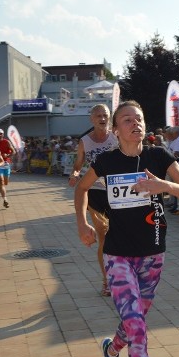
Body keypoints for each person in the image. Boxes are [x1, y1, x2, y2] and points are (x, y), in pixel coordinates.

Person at [74, 100, 179, 357]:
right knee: (139, 332)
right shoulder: (107, 161)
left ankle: (111, 350)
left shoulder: (160, 157)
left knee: (133, 324)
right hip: (118, 257)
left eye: (139, 119)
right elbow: (82, 188)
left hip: (153, 257)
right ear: (116, 130)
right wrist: (82, 222)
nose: (135, 124)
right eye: (127, 120)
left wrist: (165, 186)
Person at [68, 104, 119, 296]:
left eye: (105, 115)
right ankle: (107, 280)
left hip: (117, 190)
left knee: (121, 234)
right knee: (104, 236)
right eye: (98, 115)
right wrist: (74, 174)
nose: (102, 118)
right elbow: (78, 163)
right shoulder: (85, 142)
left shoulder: (117, 136)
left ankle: (123, 273)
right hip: (95, 192)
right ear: (91, 119)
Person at [0, 128, 14, 208]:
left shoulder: (6, 142)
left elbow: (13, 151)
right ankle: (5, 200)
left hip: (6, 163)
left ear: (3, 134)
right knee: (1, 182)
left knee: (5, 183)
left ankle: (3, 192)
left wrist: (7, 155)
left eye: (0, 134)